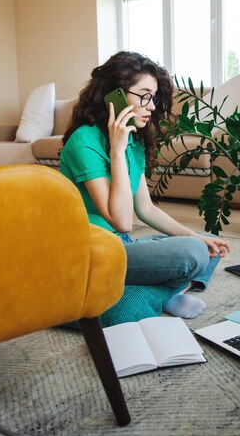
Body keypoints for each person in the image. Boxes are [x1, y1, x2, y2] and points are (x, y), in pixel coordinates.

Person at [60, 51, 230, 319]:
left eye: (154, 97)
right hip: (93, 253)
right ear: (114, 95)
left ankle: (147, 294)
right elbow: (122, 221)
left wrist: (196, 236)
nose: (152, 106)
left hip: (123, 245)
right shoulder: (85, 141)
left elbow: (146, 209)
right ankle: (165, 294)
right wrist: (116, 152)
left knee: (206, 246)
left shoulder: (134, 142)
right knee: (191, 254)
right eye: (144, 95)